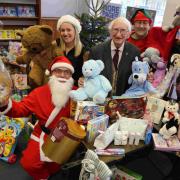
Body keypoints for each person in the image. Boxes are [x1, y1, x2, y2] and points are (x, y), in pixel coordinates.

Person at [0, 56, 76, 180]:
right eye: (58, 71)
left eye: (66, 72)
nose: (62, 75)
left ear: (71, 75)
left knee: (55, 165)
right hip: (42, 134)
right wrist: (4, 103)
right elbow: (20, 109)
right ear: (51, 73)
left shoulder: (77, 94)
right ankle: (43, 176)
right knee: (29, 164)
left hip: (63, 138)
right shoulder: (39, 92)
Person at [86, 17, 140, 96]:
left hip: (123, 100)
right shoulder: (96, 51)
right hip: (100, 99)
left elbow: (137, 77)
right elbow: (89, 76)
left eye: (123, 30)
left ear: (129, 34)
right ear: (110, 32)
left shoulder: (134, 52)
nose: (118, 34)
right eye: (115, 30)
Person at [56, 15, 86, 86]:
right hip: (57, 87)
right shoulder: (55, 46)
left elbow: (86, 73)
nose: (65, 33)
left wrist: (83, 79)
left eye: (69, 30)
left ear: (75, 31)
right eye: (62, 30)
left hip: (74, 89)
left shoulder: (84, 51)